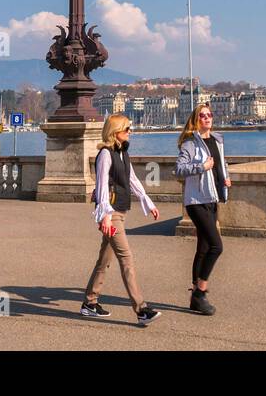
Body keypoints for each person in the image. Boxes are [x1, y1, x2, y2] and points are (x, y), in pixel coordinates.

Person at [81, 113, 162, 326]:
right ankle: (141, 309)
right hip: (112, 214)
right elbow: (102, 187)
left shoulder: (123, 153)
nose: (130, 132)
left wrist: (148, 202)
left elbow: (132, 180)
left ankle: (89, 303)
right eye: (127, 129)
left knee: (104, 261)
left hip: (121, 212)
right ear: (115, 132)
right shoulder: (106, 154)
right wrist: (105, 217)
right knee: (126, 258)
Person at [175, 103, 230, 315]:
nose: (207, 118)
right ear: (196, 120)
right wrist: (201, 167)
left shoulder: (217, 139)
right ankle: (200, 291)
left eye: (209, 115)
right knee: (217, 246)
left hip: (213, 197)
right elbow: (179, 169)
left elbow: (220, 165)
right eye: (202, 116)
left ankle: (194, 296)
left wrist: (225, 178)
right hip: (196, 200)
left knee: (204, 247)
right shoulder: (190, 143)